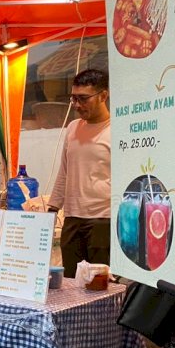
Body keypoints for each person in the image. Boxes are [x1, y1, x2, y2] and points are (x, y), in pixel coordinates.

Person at [47, 69, 111, 279]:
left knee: (100, 285)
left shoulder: (116, 130)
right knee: (69, 281)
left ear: (103, 96)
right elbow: (64, 171)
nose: (76, 104)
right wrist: (52, 209)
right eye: (73, 98)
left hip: (103, 219)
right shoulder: (73, 128)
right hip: (72, 218)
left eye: (83, 98)